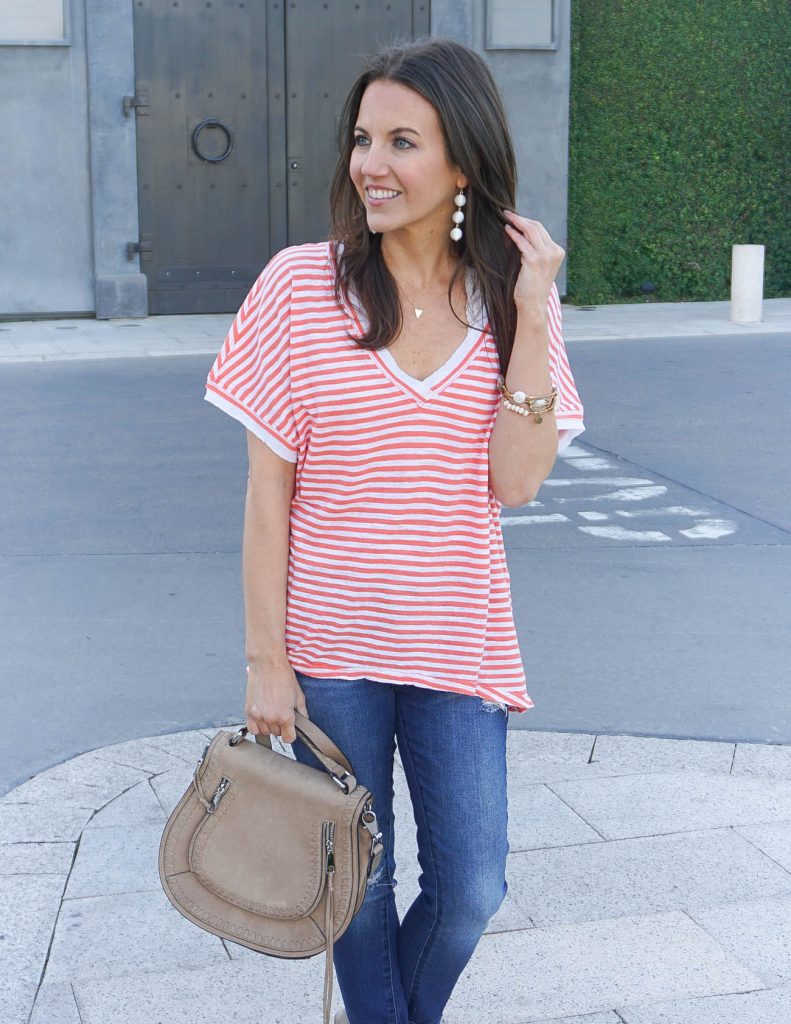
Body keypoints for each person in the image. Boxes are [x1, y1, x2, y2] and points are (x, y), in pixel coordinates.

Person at [204, 35, 584, 1024]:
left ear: (461, 160)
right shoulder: (299, 286)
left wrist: (533, 314)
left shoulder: (506, 304)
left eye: (401, 141)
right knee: (356, 889)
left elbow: (516, 480)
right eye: (362, 138)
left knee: (468, 888)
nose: (370, 162)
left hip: (458, 646)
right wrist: (263, 660)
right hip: (329, 654)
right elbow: (264, 495)